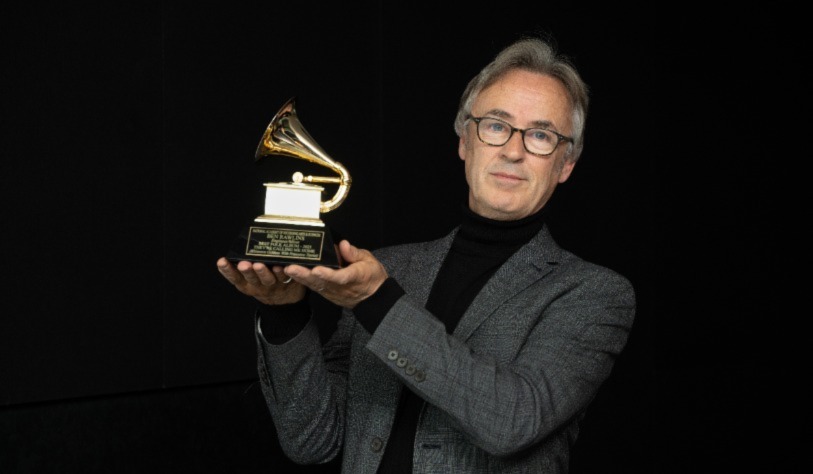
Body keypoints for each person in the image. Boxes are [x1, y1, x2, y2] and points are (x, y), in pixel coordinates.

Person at [217, 35, 636, 473]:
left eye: (540, 135)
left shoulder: (594, 294)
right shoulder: (392, 266)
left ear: (565, 164)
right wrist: (285, 314)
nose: (513, 151)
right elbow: (312, 440)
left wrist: (375, 301)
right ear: (464, 141)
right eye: (495, 125)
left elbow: (512, 422)